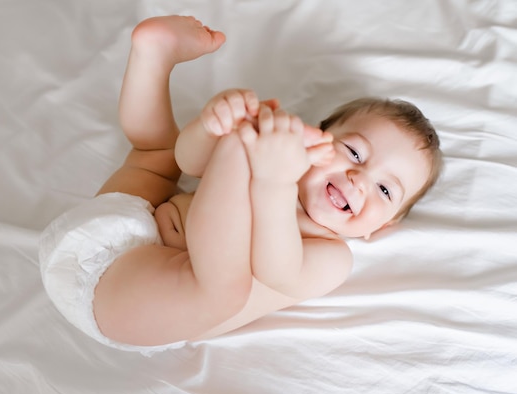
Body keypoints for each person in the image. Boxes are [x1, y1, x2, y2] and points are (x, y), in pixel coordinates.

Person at [39, 15, 442, 355]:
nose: (359, 180)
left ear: (381, 227)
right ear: (318, 138)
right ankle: (152, 54)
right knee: (159, 156)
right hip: (125, 229)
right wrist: (212, 126)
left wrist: (272, 181)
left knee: (223, 289)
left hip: (128, 301)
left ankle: (162, 64)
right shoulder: (271, 151)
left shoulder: (331, 256)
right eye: (354, 152)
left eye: (386, 191)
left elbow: (276, 268)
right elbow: (187, 160)